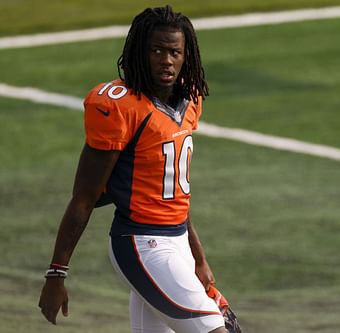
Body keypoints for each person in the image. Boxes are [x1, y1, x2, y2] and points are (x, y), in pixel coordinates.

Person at [38, 5, 228, 333]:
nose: (166, 60)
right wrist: (57, 273)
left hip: (177, 242)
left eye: (174, 52)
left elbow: (174, 194)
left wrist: (199, 258)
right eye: (156, 50)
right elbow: (84, 198)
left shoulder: (190, 99)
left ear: (186, 56)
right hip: (141, 243)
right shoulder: (119, 107)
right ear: (139, 52)